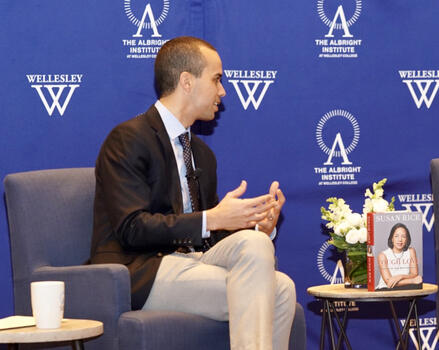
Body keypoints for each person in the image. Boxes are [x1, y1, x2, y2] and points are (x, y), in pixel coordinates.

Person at [90, 36, 296, 350]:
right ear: (187, 81)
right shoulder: (128, 139)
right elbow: (132, 228)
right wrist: (210, 219)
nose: (223, 91)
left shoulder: (201, 153)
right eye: (216, 80)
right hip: (143, 269)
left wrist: (257, 227)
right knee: (275, 290)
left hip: (195, 264)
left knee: (280, 283)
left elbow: (207, 235)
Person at [376, 223, 422, 290]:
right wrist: (412, 281)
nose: (400, 240)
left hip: (404, 287)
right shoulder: (383, 255)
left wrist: (400, 276)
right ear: (392, 238)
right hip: (385, 289)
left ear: (406, 239)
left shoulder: (411, 251)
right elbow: (389, 283)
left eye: (403, 236)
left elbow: (414, 274)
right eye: (396, 236)